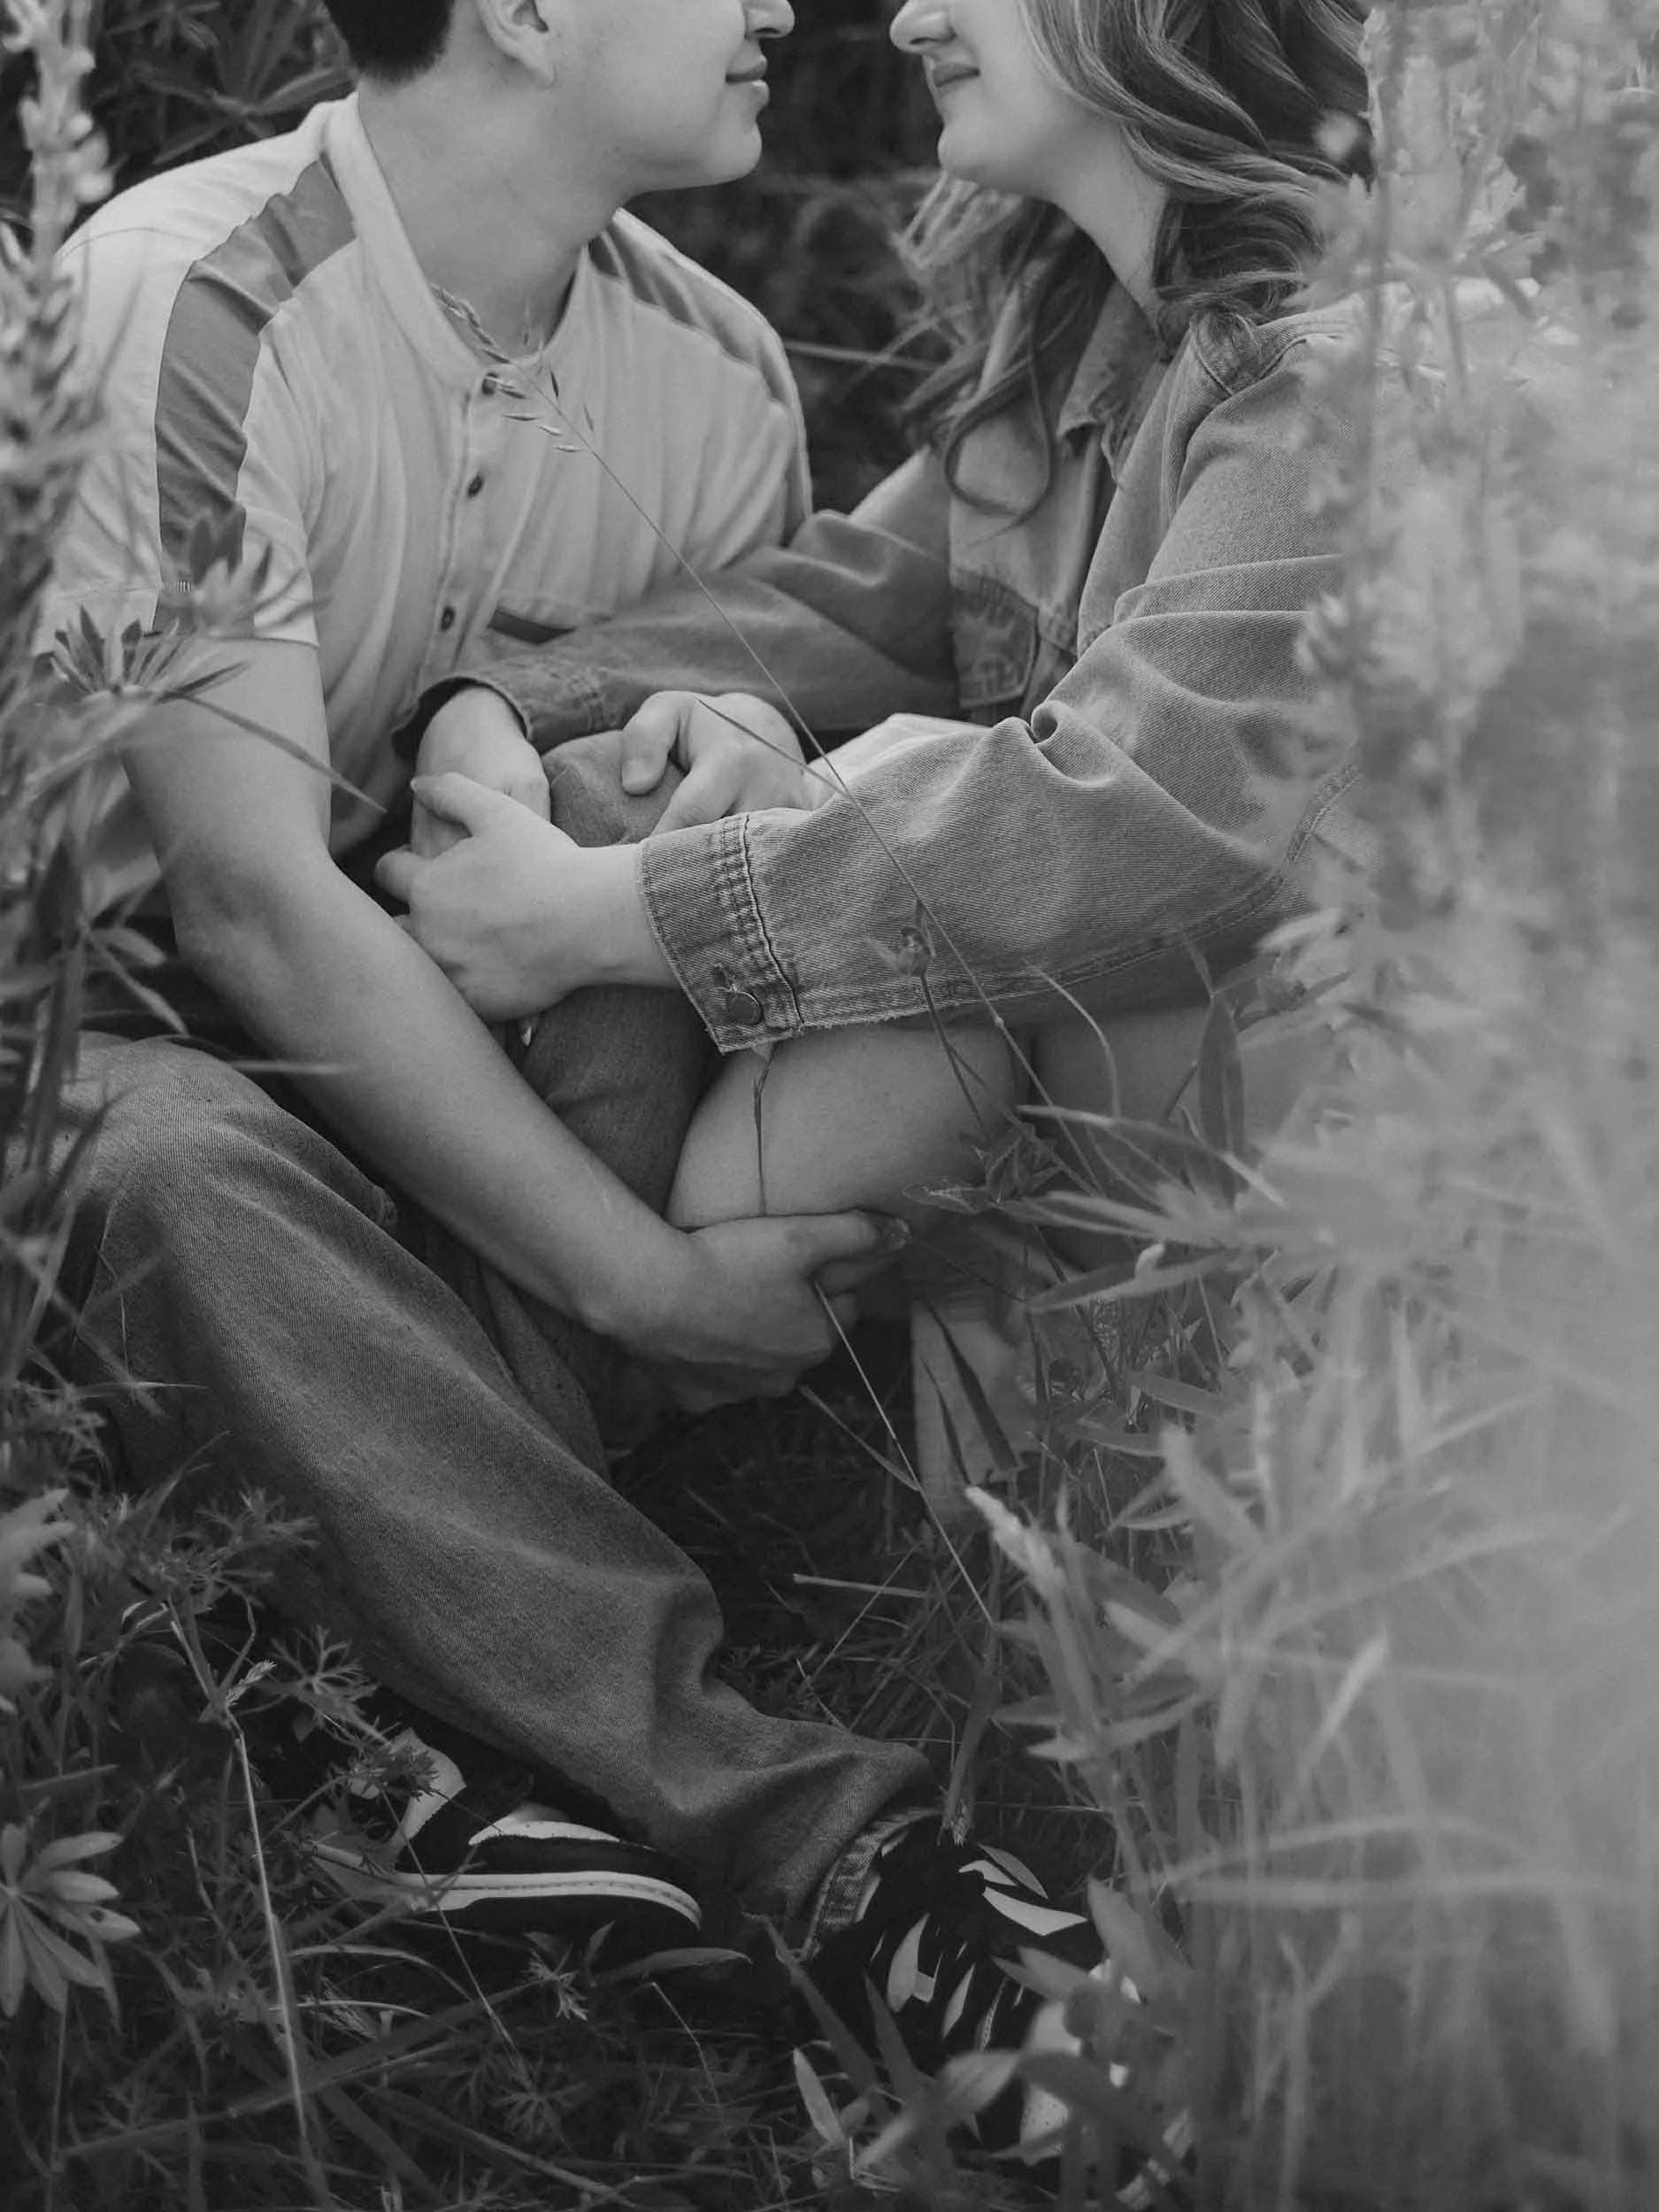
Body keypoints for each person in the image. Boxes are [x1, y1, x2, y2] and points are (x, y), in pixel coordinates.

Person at [37, 0, 1135, 2164]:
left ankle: (376, 1691)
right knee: (165, 1169)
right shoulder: (183, 295)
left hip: (473, 1106)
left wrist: (703, 764)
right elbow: (250, 911)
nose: (786, 16)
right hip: (129, 1046)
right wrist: (643, 1285)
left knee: (687, 933)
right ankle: (824, 1849)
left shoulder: (715, 366)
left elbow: (636, 827)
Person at [382, 0, 1372, 1452]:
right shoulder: (1094, 343)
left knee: (907, 798)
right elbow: (837, 610)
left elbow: (1144, 819)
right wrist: (494, 712)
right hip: (1152, 1117)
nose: (911, 16)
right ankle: (557, 1406)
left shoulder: (1345, 372)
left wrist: (610, 913)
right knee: (672, 761)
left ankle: (565, 1426)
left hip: (1379, 1164)